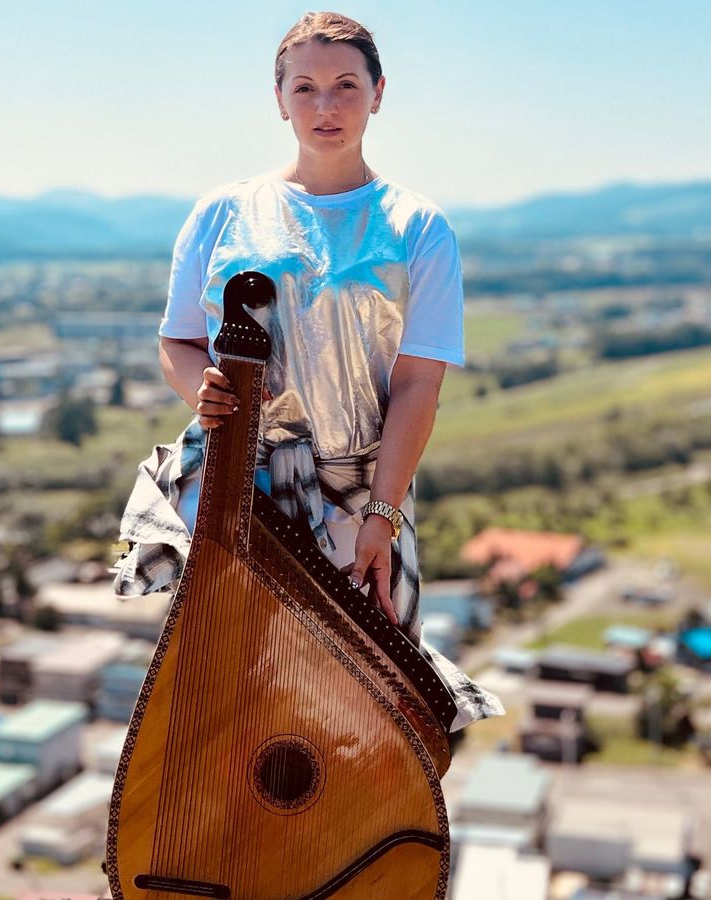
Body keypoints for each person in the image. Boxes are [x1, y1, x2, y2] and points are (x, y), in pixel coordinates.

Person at [112, 11, 504, 733]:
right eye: (307, 88)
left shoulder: (418, 226)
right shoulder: (222, 213)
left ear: (379, 92)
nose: (326, 106)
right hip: (241, 486)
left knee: (364, 717)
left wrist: (381, 520)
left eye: (347, 85)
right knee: (239, 707)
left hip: (363, 496)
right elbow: (178, 344)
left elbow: (418, 385)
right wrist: (198, 387)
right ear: (280, 97)